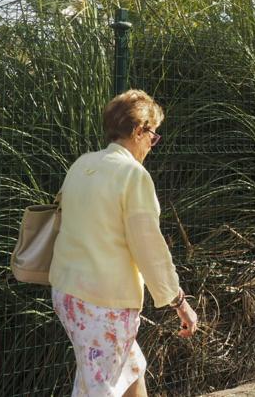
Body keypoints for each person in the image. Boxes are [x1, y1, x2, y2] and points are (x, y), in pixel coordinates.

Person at [49, 89, 198, 396]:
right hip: (102, 302)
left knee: (130, 368)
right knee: (99, 388)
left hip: (67, 292)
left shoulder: (82, 164)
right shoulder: (133, 175)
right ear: (139, 130)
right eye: (153, 136)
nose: (151, 146)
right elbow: (149, 247)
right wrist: (178, 301)